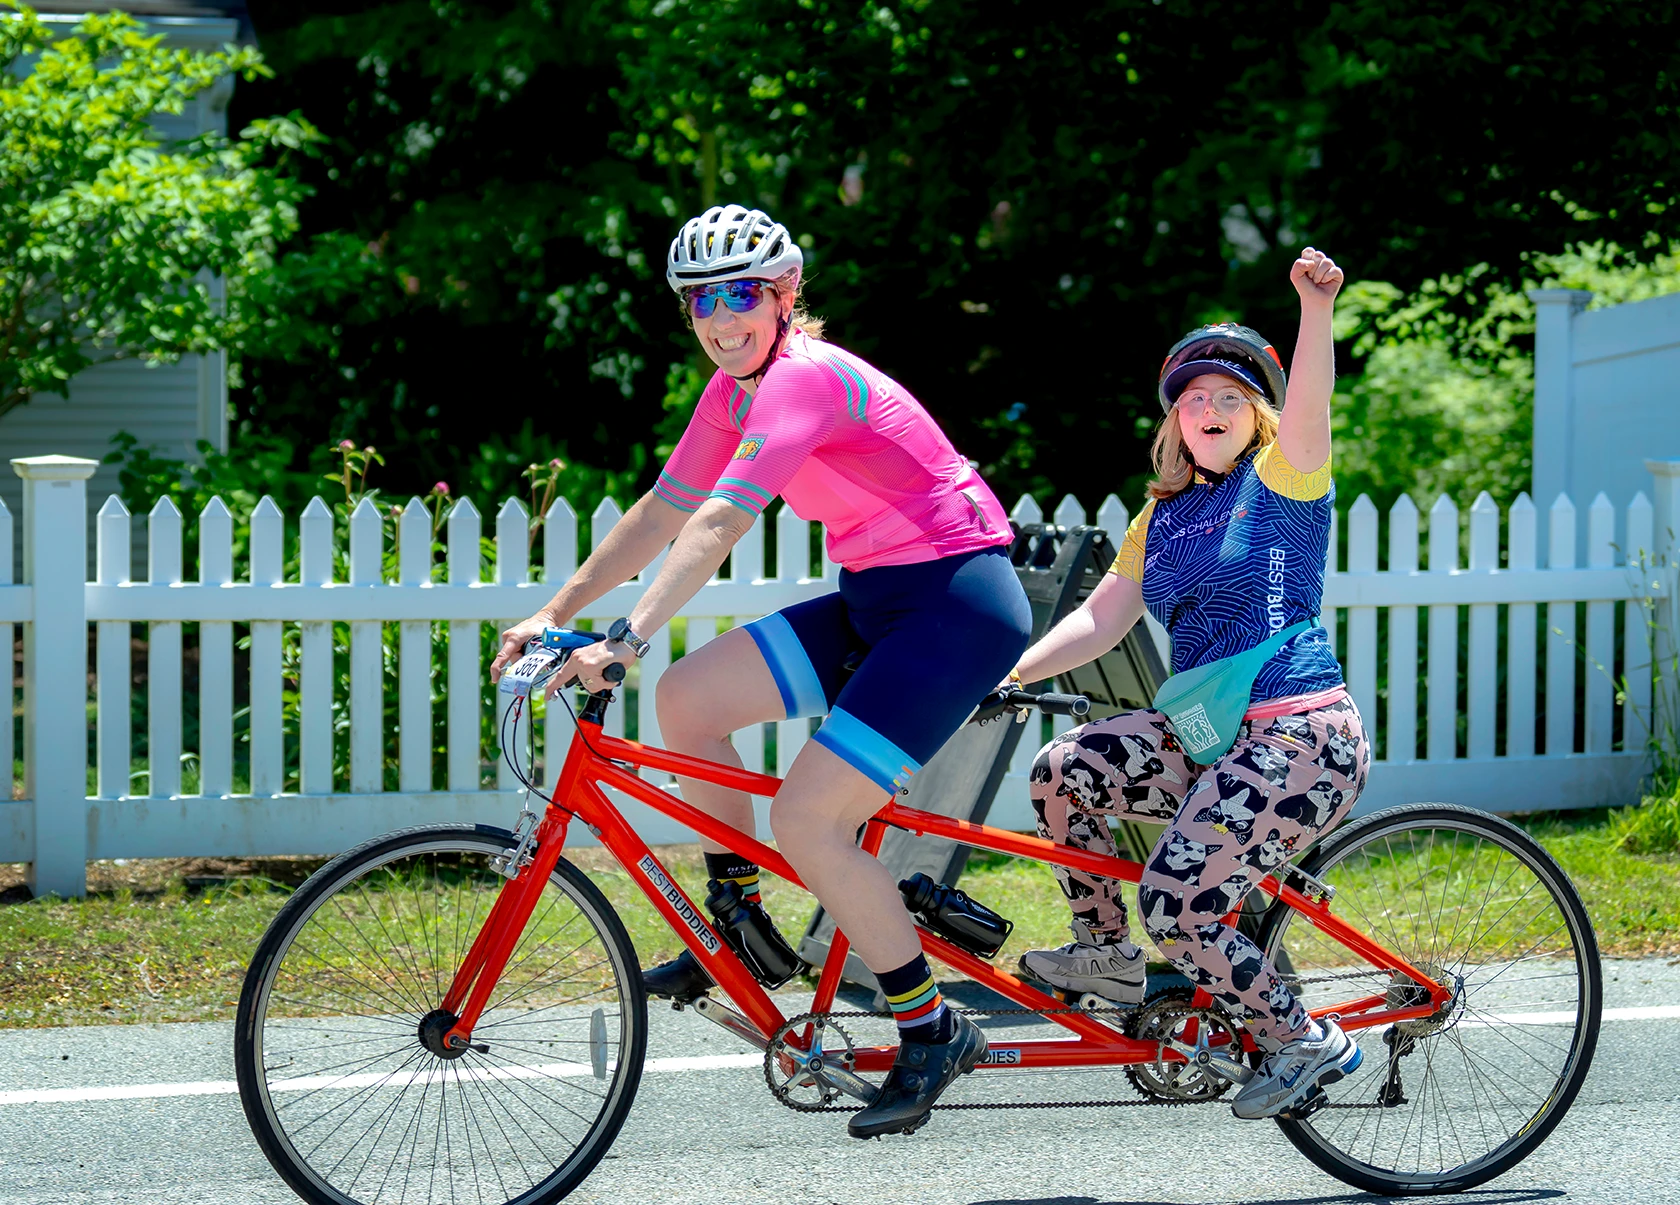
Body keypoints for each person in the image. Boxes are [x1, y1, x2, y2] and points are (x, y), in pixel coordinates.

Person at [490, 205, 1031, 1138]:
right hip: (878, 596)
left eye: (742, 293)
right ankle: (737, 923)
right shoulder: (732, 390)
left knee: (810, 818)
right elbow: (664, 508)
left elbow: (719, 523)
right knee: (687, 699)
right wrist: (557, 610)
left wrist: (626, 633)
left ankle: (931, 1026)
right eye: (700, 299)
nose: (720, 316)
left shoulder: (802, 381)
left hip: (956, 602)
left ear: (785, 296)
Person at [1004, 248, 1372, 1120]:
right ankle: (1105, 952)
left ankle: (1300, 1039)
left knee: (1178, 900)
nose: (1209, 408)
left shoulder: (1284, 482)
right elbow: (1104, 617)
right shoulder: (1161, 514)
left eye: (1230, 398)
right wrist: (1012, 670)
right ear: (1174, 419)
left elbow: (1312, 403)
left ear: (1256, 416)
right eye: (1193, 397)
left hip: (1300, 738)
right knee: (1063, 772)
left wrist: (1314, 311)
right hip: (1211, 740)